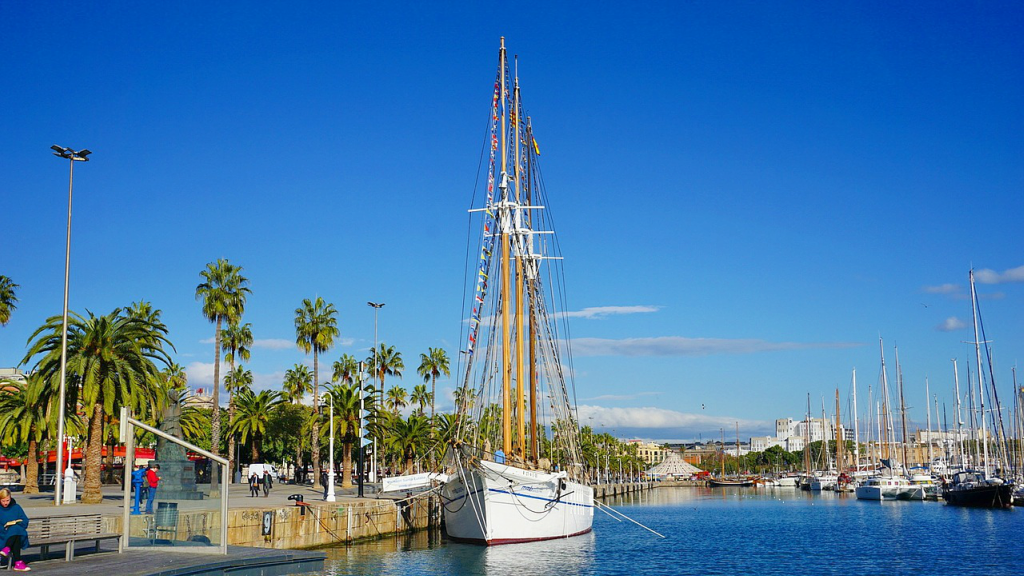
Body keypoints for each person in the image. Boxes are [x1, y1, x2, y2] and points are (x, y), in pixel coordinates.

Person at [0, 488, 31, 572]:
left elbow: (25, 521)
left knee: (15, 529)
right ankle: (18, 563)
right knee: (16, 531)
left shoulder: (16, 507)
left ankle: (7, 548)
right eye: (3, 501)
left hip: (16, 535)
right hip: (2, 535)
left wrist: (15, 523)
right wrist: (5, 527)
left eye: (7, 500)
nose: (6, 503)